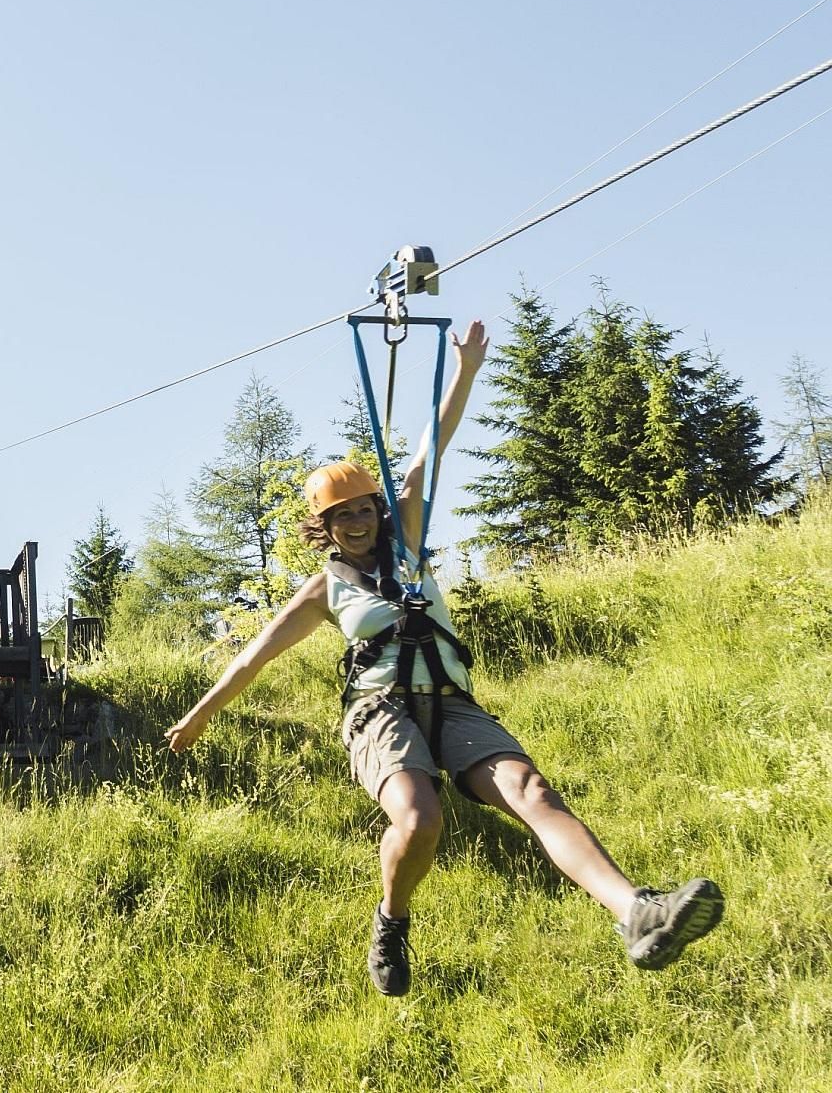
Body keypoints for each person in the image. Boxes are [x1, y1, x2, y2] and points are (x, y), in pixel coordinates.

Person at [164, 320, 722, 996]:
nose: (358, 522)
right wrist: (198, 718)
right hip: (379, 714)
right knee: (420, 817)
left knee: (533, 792)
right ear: (326, 528)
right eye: (342, 516)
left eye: (364, 509)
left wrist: (466, 370)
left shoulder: (407, 539)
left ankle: (636, 911)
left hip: (453, 705)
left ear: (378, 509)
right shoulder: (323, 591)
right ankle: (391, 923)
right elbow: (251, 660)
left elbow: (432, 446)